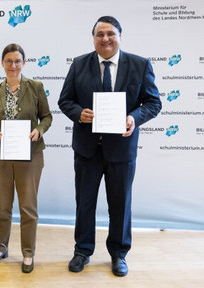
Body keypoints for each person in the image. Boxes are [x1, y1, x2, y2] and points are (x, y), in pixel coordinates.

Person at [58, 16, 162, 277]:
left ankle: (118, 254)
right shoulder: (80, 64)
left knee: (120, 203)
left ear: (119, 36)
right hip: (87, 149)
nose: (105, 38)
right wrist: (79, 113)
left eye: (110, 34)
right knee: (85, 203)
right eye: (100, 34)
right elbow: (64, 100)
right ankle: (82, 250)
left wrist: (133, 118)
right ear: (93, 38)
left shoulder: (139, 65)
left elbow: (153, 103)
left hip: (121, 150)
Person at [0, 43, 52, 274]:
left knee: (28, 207)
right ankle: (1, 247)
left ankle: (28, 252)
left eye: (17, 61)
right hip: (0, 156)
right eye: (9, 61)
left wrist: (39, 130)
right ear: (2, 63)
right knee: (3, 206)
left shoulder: (36, 87)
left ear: (24, 63)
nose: (13, 65)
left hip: (30, 156)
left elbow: (47, 117)